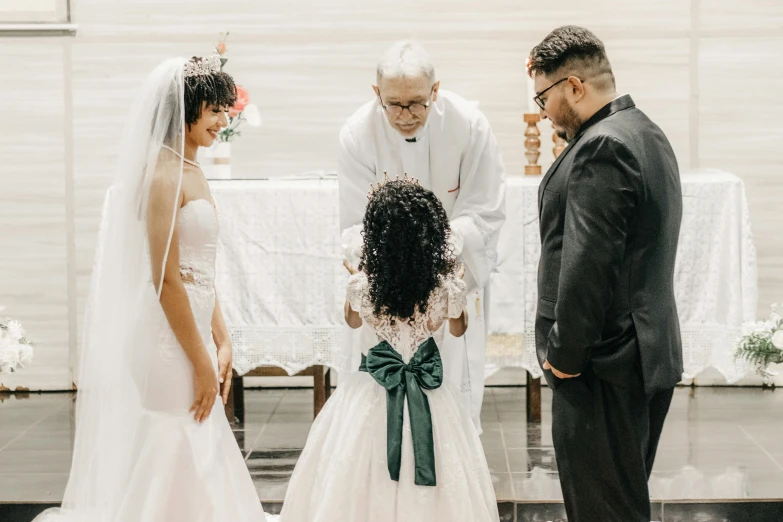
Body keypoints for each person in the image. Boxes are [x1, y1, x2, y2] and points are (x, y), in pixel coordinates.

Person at [35, 55, 266, 522]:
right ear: (186, 110)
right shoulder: (162, 176)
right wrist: (201, 361)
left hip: (192, 332)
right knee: (174, 437)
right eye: (214, 110)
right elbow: (165, 280)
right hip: (165, 338)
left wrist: (221, 337)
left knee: (199, 438)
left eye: (224, 110)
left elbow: (200, 269)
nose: (223, 120)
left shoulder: (193, 168)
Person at [529, 26, 683, 522]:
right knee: (620, 504)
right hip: (641, 353)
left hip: (603, 365)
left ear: (574, 87)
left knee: (604, 512)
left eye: (543, 96)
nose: (542, 111)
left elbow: (587, 267)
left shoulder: (602, 148)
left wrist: (565, 357)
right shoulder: (645, 131)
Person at [277, 178, 499, 522]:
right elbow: (458, 328)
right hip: (430, 396)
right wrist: (455, 288)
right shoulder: (443, 287)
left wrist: (358, 281)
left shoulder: (363, 286)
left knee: (355, 474)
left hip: (369, 393)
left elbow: (352, 323)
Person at [338, 40, 506, 431]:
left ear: (436, 90)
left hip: (448, 277)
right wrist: (395, 260)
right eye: (393, 104)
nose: (405, 115)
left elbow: (484, 211)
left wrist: (429, 258)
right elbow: (353, 223)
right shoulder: (356, 133)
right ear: (376, 93)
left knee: (451, 402)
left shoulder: (469, 125)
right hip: (386, 285)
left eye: (417, 102)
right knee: (380, 411)